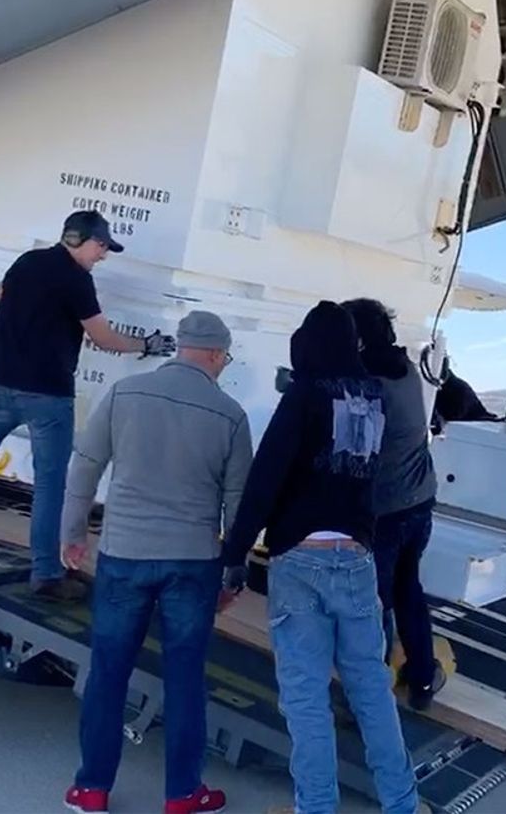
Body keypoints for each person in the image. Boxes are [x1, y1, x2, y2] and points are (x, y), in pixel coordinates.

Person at [220, 302, 423, 814]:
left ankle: (316, 807)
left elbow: (266, 478)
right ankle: (401, 803)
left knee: (306, 696)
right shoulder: (371, 398)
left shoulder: (305, 396)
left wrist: (234, 553)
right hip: (356, 557)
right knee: (371, 690)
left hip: (301, 558)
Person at [0, 210, 174, 600]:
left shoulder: (28, 261)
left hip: (1, 384)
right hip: (48, 396)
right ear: (81, 240)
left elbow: (0, 293)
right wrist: (146, 345)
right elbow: (102, 338)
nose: (102, 255)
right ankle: (46, 575)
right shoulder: (76, 280)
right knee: (50, 484)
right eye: (101, 247)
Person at [58, 310, 252, 814]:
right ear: (212, 354)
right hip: (192, 561)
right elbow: (239, 502)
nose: (224, 366)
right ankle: (183, 794)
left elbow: (86, 463)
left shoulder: (126, 394)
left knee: (108, 672)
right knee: (186, 679)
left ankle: (92, 789)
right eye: (225, 357)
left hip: (125, 553)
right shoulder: (230, 414)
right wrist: (234, 572)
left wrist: (73, 533)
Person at [341, 298, 446, 711]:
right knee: (408, 590)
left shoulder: (368, 385)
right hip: (419, 503)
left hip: (384, 512)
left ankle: (369, 697)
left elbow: (351, 450)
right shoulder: (405, 371)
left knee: (375, 604)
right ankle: (422, 680)